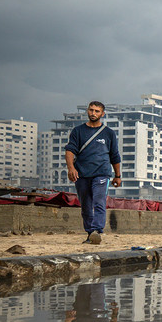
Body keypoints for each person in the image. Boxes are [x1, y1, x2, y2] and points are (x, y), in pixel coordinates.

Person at [65, 100, 122, 245]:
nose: (93, 113)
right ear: (87, 111)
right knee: (85, 205)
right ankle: (90, 234)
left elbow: (114, 156)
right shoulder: (78, 131)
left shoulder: (108, 133)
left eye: (97, 111)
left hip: (102, 173)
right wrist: (71, 168)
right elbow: (70, 150)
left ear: (102, 114)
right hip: (82, 174)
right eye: (91, 110)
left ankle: (97, 230)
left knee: (99, 201)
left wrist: (117, 176)